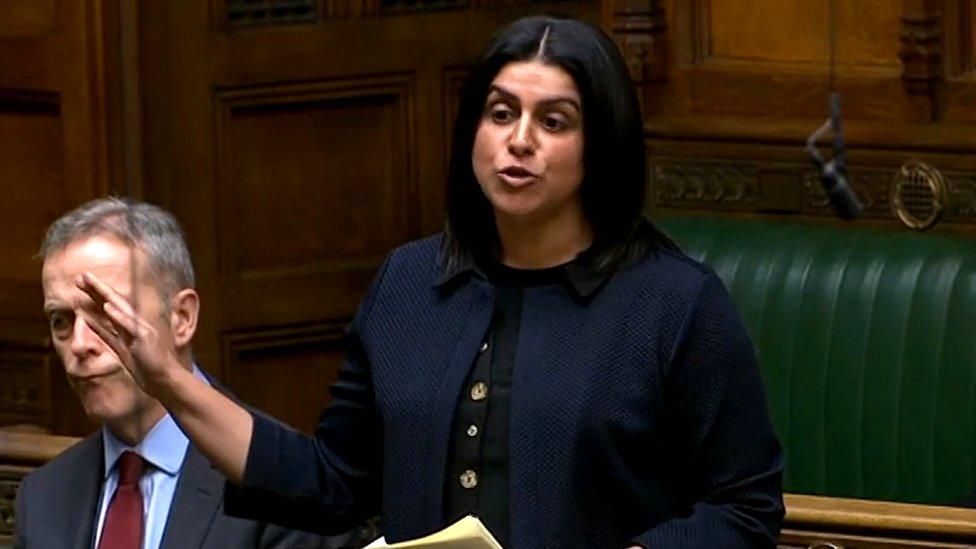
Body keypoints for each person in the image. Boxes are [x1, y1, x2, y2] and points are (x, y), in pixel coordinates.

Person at [77, 16, 784, 548]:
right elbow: (333, 484)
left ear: (600, 145)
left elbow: (747, 506)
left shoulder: (675, 302)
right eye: (500, 113)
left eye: (554, 121)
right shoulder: (411, 284)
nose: (519, 140)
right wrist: (171, 378)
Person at [15, 198, 349, 548]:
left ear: (182, 318)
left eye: (106, 314)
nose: (80, 344)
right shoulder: (42, 498)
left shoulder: (287, 482)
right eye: (61, 321)